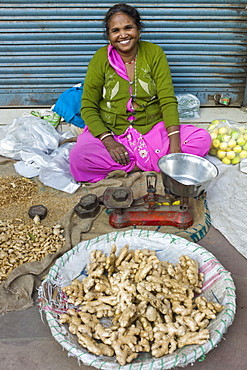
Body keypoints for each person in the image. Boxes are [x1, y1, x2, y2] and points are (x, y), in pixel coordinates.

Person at [69, 3, 211, 183]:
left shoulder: (154, 53)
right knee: (78, 158)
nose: (123, 35)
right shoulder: (100, 59)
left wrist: (174, 148)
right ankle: (157, 163)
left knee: (202, 139)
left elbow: (167, 100)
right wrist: (109, 142)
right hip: (113, 131)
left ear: (138, 29)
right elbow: (88, 106)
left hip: (152, 129)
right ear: (109, 36)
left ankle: (133, 166)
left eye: (128, 27)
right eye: (116, 30)